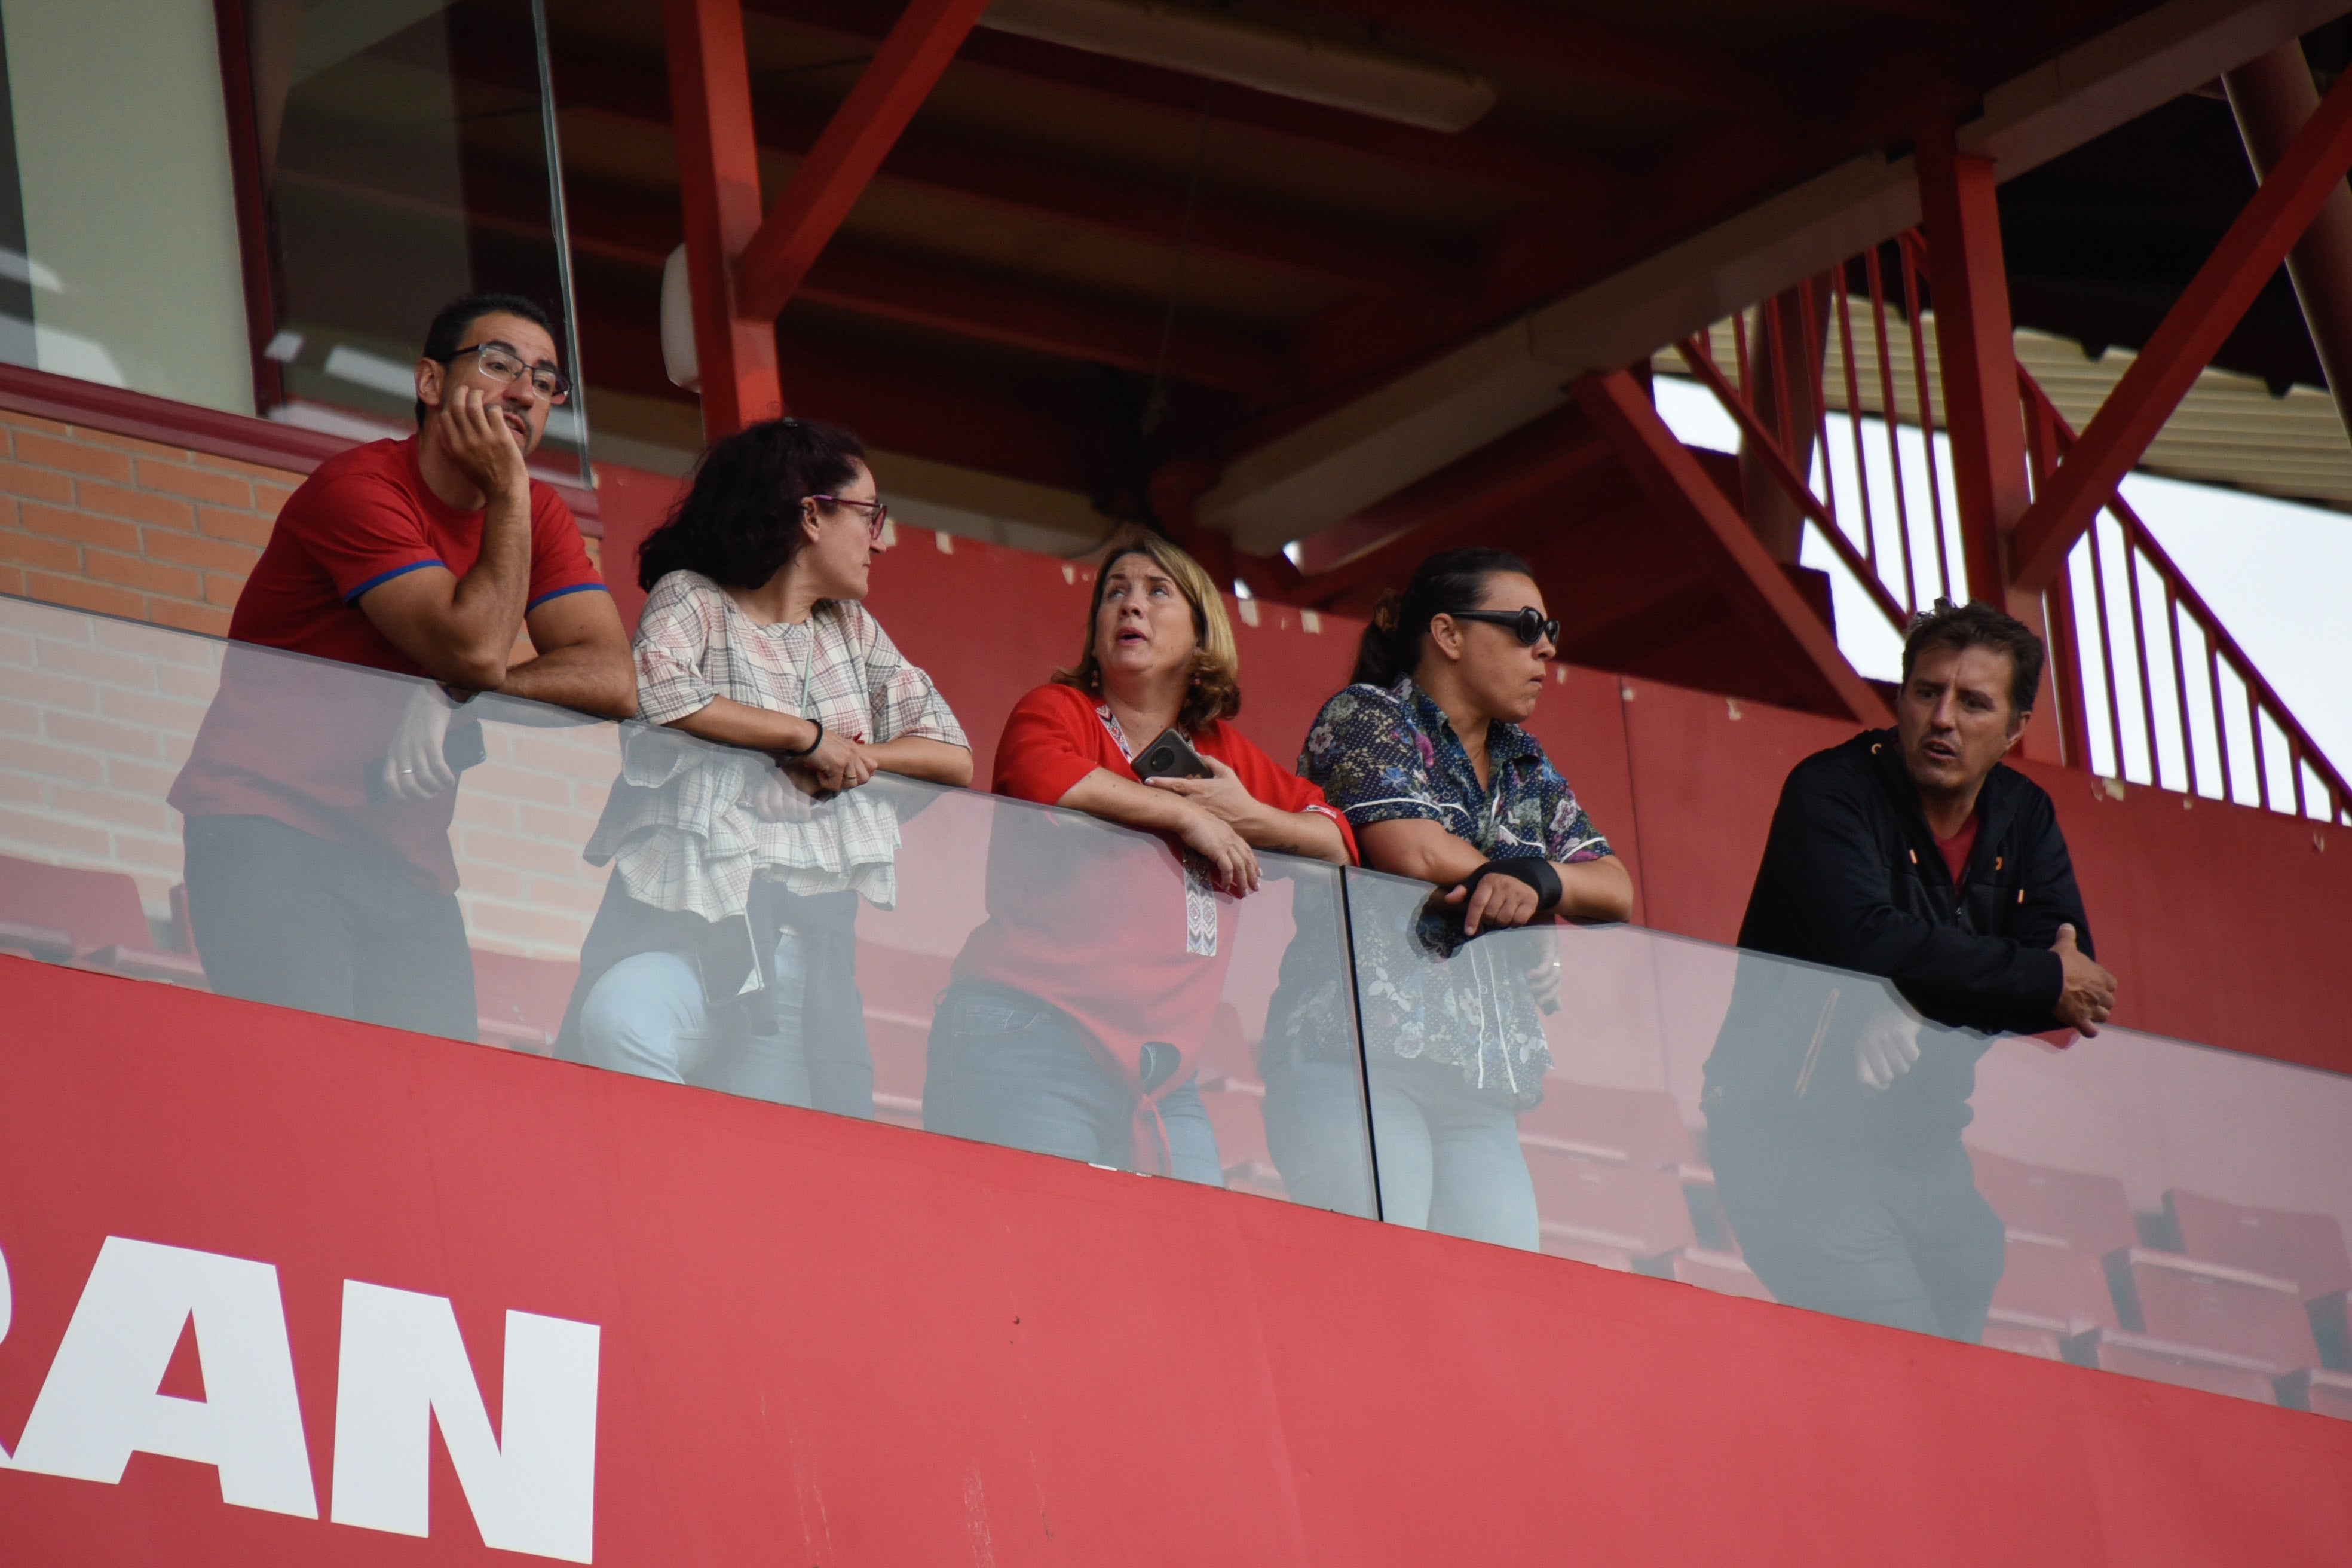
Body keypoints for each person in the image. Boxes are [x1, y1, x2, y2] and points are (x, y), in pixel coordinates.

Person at [169, 292, 633, 1039]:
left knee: (429, 1121)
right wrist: (510, 490)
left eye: (545, 381)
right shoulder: (358, 489)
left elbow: (614, 679)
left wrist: (451, 693)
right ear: (430, 384)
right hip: (267, 830)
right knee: (307, 1093)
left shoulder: (537, 515)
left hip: (406, 863)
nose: (524, 391)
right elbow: (474, 648)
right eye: (498, 364)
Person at [1702, 598, 2118, 1343]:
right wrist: (1923, 980)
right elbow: (1864, 939)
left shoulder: (2027, 814)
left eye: (1974, 701)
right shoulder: (1829, 791)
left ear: (2017, 727)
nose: (1944, 717)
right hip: (1789, 1135)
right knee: (1901, 1358)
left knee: (1965, 1281)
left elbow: (2066, 986)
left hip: (1922, 1146)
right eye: (1926, 692)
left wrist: (1907, 999)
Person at [557, 418, 970, 1113]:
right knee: (620, 1019)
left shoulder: (852, 629)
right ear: (812, 514)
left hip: (795, 961)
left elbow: (953, 754)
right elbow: (657, 691)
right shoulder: (693, 598)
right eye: (870, 514)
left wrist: (844, 764)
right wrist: (803, 738)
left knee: (760, 1160)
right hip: (689, 930)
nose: (880, 538)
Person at [924, 532, 1354, 1183]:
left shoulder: (1223, 753)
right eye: (1115, 593)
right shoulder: (1058, 708)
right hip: (1031, 1032)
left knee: (1186, 1271)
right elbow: (1047, 779)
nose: (1131, 606)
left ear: (1203, 635)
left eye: (1157, 592)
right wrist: (1186, 814)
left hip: (1162, 1076)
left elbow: (1338, 840)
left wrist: (1248, 818)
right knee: (1040, 1258)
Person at [1289, 547, 1632, 1248]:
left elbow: (1616, 886)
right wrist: (1527, 895)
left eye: (1551, 628)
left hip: (1480, 1091)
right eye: (1524, 625)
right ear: (1448, 635)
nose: (1546, 647)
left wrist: (1537, 885)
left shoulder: (1526, 760)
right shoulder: (1367, 715)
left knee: (1499, 1314)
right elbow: (1410, 850)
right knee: (1382, 1287)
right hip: (1358, 1062)